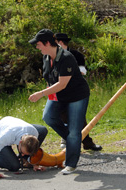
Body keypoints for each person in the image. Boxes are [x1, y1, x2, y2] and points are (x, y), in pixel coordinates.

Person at [28, 29, 90, 174]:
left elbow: (62, 84)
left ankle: (71, 163)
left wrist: (41, 94)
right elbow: (51, 80)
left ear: (47, 43)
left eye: (38, 44)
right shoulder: (46, 57)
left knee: (74, 132)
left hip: (77, 96)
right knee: (48, 117)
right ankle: (72, 138)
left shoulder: (66, 57)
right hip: (59, 95)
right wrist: (47, 93)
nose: (37, 47)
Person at [55, 33, 102, 151]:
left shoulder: (76, 55)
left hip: (76, 91)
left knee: (78, 118)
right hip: (59, 91)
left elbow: (82, 71)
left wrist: (65, 76)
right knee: (63, 116)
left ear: (60, 43)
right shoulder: (52, 57)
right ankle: (78, 141)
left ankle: (84, 142)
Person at [0, 116, 48, 181]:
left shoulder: (34, 134)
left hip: (14, 125)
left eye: (24, 154)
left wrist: (34, 163)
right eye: (22, 152)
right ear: (20, 142)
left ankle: (25, 161)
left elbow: (33, 148)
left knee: (42, 130)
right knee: (14, 166)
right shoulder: (6, 136)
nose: (22, 154)